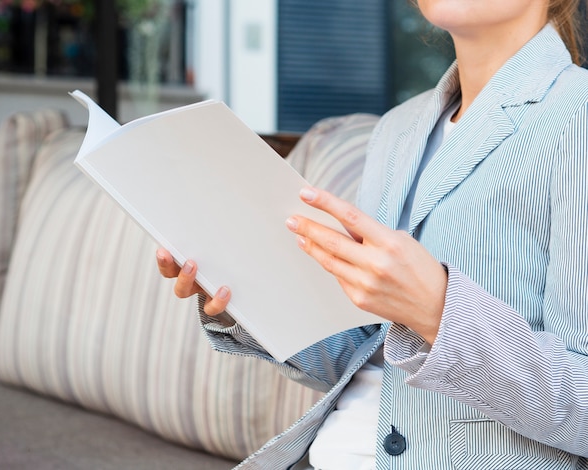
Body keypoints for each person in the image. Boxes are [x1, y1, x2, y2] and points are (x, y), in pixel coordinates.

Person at [157, 0, 588, 467]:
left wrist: (439, 313)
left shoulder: (577, 119)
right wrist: (243, 292)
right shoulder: (398, 130)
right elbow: (367, 357)